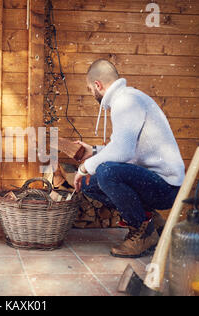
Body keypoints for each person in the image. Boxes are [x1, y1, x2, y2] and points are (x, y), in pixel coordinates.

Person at [74, 59, 185, 258]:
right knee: (91, 184)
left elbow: (123, 152)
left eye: (90, 89)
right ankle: (152, 222)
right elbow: (129, 150)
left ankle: (141, 232)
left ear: (98, 85)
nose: (92, 94)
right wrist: (95, 151)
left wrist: (84, 167)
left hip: (166, 187)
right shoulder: (126, 98)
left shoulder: (125, 101)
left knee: (105, 172)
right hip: (152, 180)